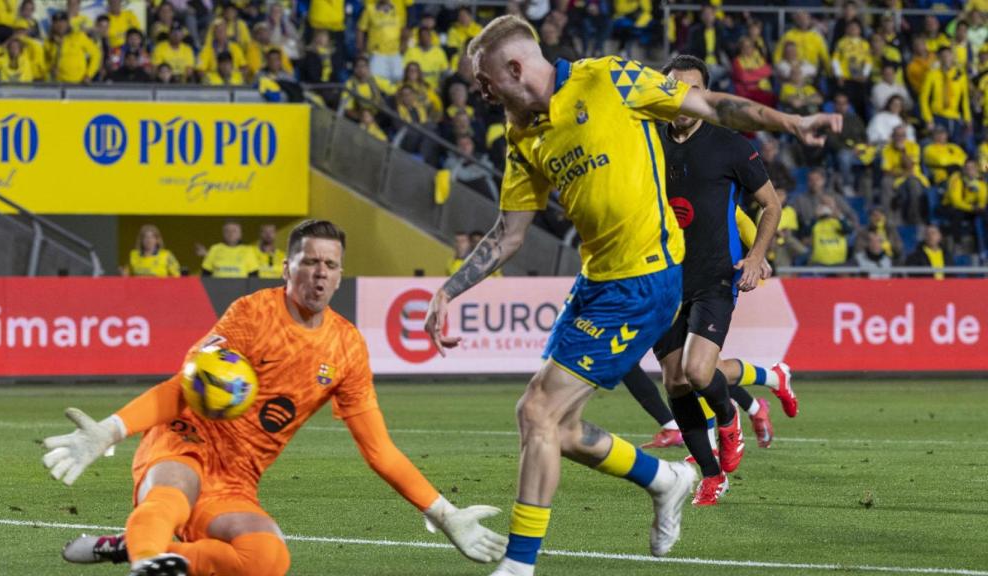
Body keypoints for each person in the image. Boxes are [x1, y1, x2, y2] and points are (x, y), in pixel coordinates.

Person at [422, 15, 840, 576]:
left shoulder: (609, 80)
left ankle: (518, 567)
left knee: (537, 409)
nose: (481, 91)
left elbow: (714, 108)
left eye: (484, 79)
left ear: (515, 67)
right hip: (596, 282)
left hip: (647, 281)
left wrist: (789, 120)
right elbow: (509, 234)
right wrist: (449, 290)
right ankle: (664, 478)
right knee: (556, 427)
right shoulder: (523, 134)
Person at [42, 220, 508, 576]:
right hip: (184, 444)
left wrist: (444, 514)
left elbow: (379, 449)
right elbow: (184, 386)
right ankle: (148, 560)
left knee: (269, 557)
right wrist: (111, 429)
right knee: (171, 497)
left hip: (237, 480)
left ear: (341, 275)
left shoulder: (346, 348)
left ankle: (143, 545)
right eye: (309, 262)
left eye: (329, 265)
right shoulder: (250, 314)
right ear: (287, 268)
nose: (319, 274)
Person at [646, 55, 790, 506]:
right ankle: (712, 475)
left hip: (714, 278)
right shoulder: (646, 140)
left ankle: (728, 417)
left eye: (692, 91)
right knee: (674, 383)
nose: (683, 99)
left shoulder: (730, 145)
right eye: (674, 89)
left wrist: (756, 256)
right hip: (662, 280)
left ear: (706, 95)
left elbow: (771, 204)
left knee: (698, 371)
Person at [45, 12, 102, 84]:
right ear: (53, 25)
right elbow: (44, 61)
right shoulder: (48, 42)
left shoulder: (78, 36)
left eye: (62, 22)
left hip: (80, 83)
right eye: (56, 22)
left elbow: (96, 54)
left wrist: (88, 75)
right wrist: (50, 68)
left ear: (68, 23)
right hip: (58, 84)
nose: (60, 25)